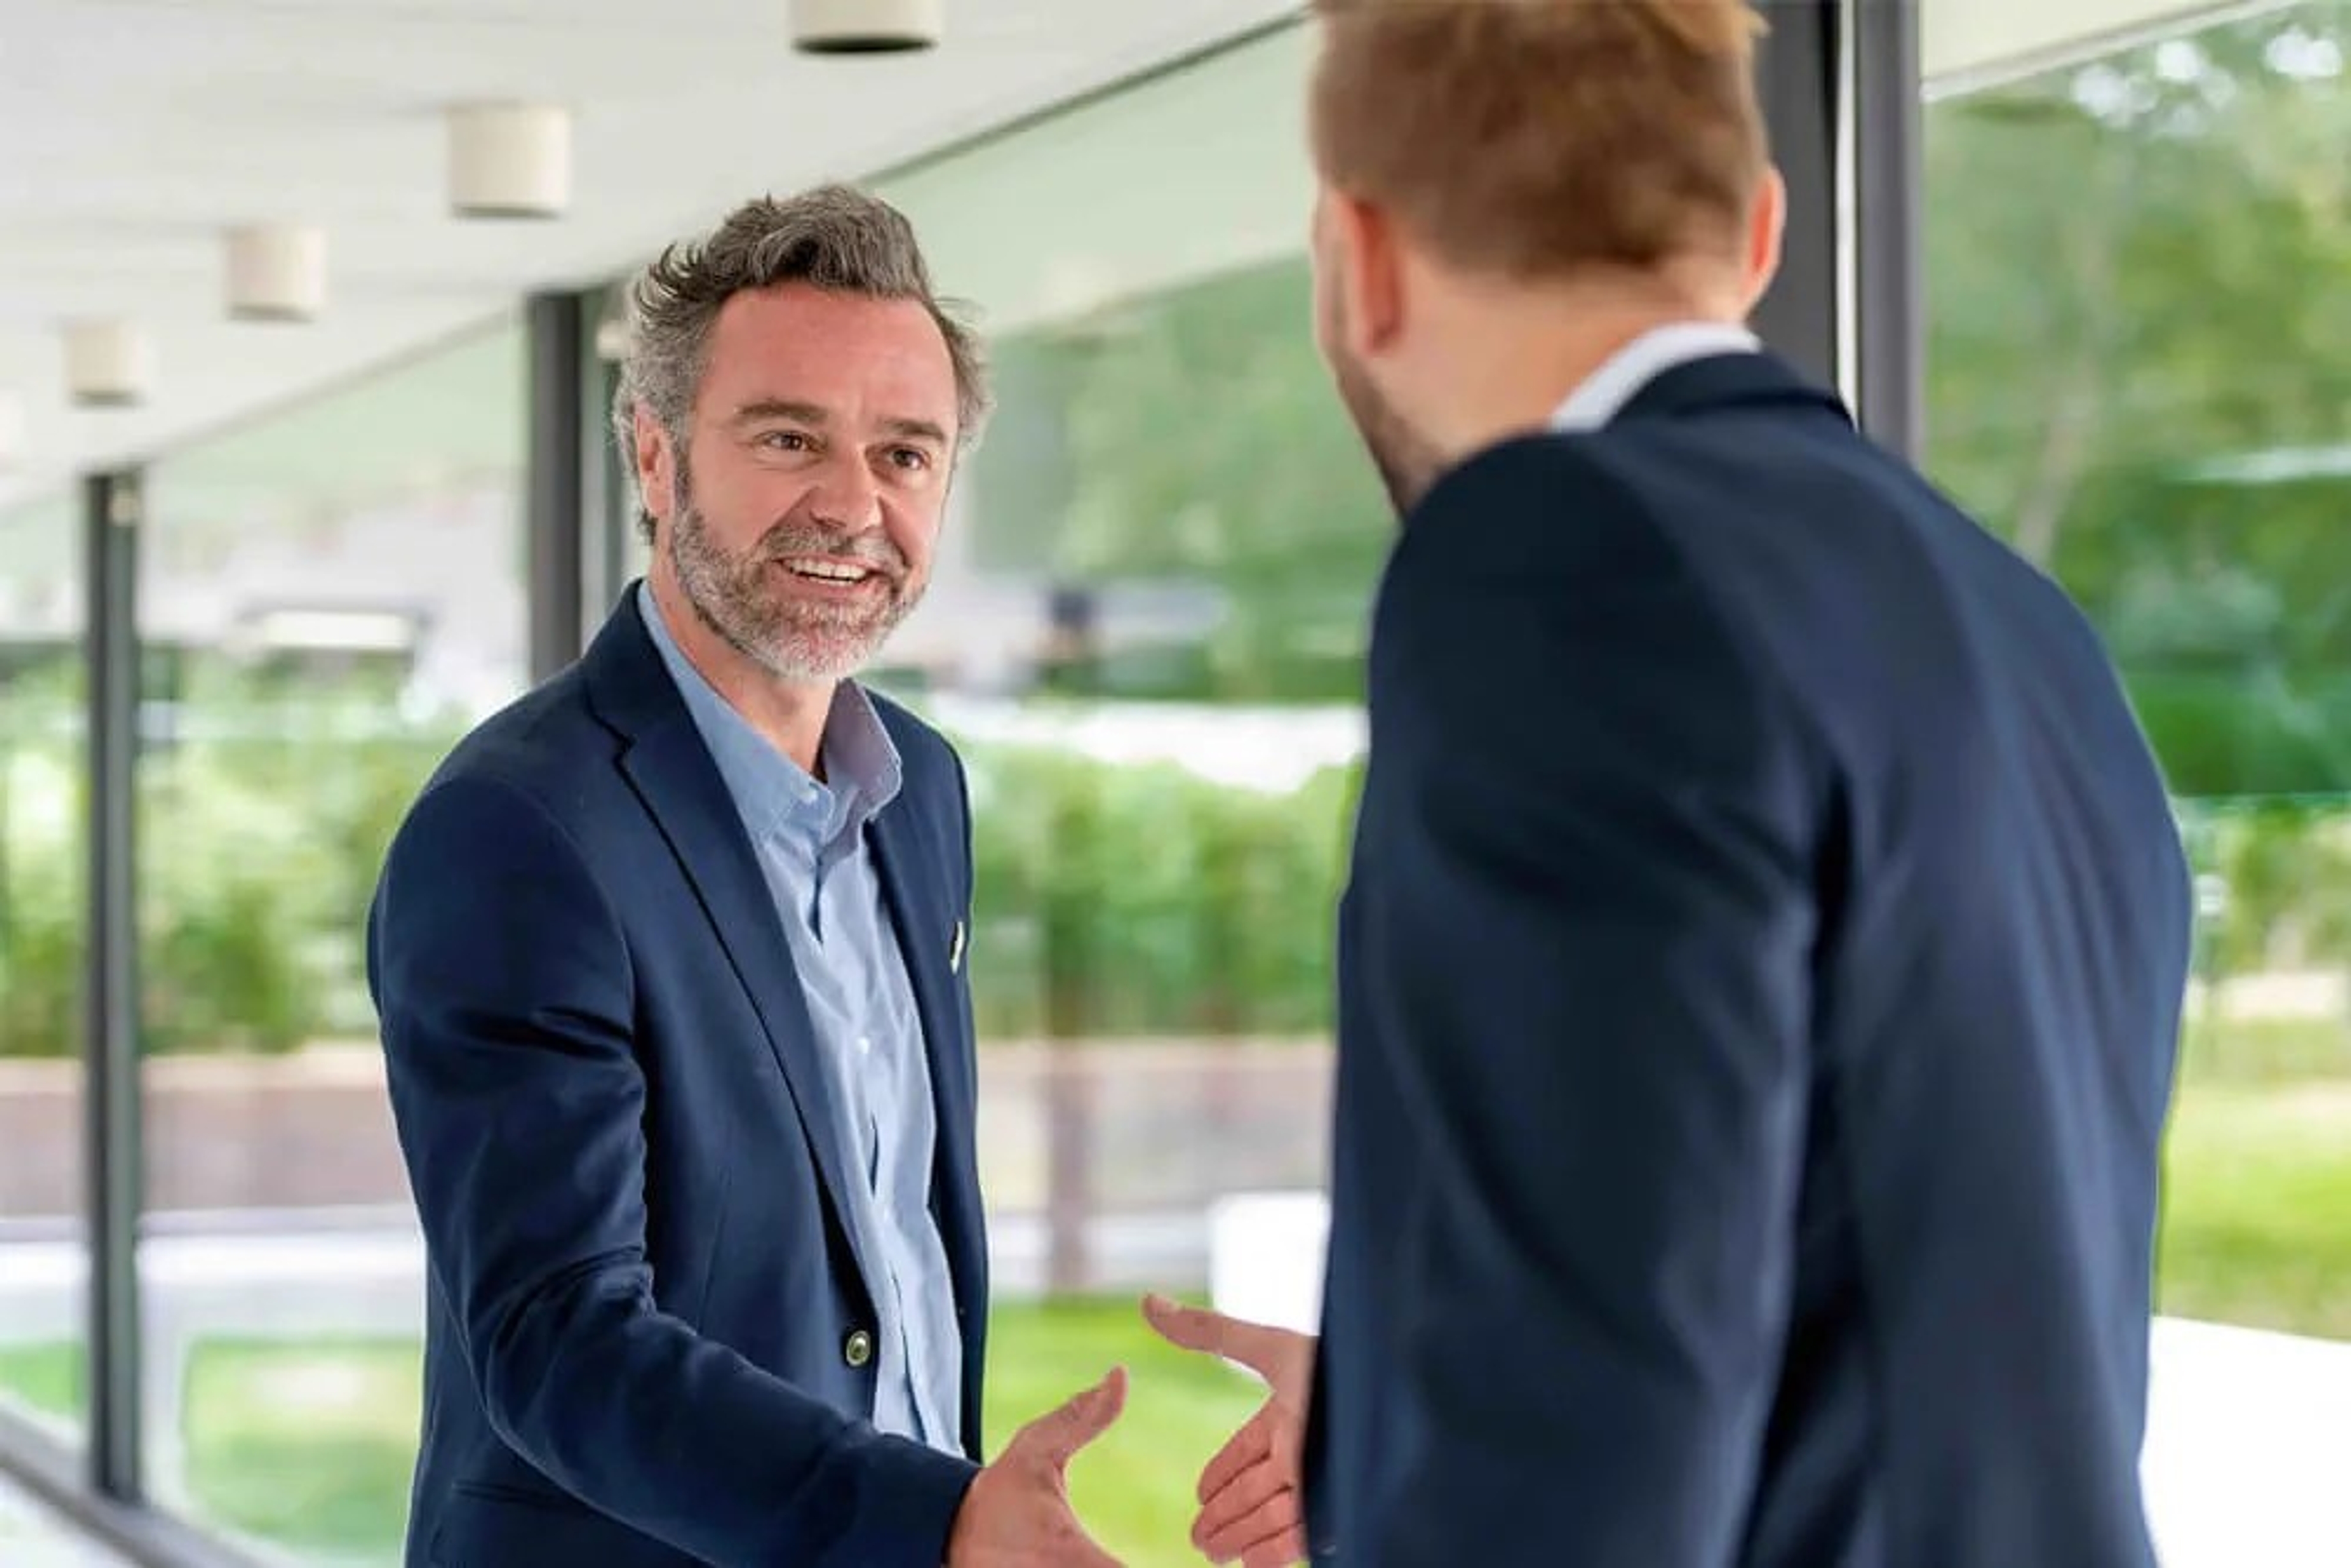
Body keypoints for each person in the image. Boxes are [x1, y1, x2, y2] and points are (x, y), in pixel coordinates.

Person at [1149, 2, 2194, 1565]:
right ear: (1762, 231)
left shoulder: (1558, 559)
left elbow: (1575, 1458)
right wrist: (1394, 1417)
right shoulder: (2019, 623)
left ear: (1362, 260)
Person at [369, 187, 1127, 1568]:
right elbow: (557, 1341)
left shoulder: (922, 790)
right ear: (655, 458)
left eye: (907, 453)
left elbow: (883, 1250)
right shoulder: (518, 830)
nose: (854, 505)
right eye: (788, 439)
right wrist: (927, 1520)